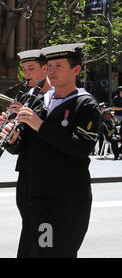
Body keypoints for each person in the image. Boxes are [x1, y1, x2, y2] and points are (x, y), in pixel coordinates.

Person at [6, 43, 102, 258]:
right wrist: (12, 139)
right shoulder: (41, 102)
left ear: (76, 70)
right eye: (49, 65)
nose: (51, 71)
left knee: (55, 253)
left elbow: (81, 147)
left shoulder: (85, 104)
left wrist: (39, 125)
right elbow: (27, 146)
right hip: (38, 197)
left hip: (65, 200)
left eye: (59, 65)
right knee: (36, 252)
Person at [0, 49, 52, 258]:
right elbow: (19, 146)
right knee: (28, 223)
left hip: (46, 174)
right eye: (24, 69)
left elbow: (52, 136)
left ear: (44, 69)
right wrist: (10, 134)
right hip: (26, 171)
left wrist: (31, 117)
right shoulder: (26, 96)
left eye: (31, 69)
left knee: (42, 232)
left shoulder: (53, 98)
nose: (26, 74)